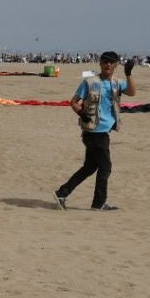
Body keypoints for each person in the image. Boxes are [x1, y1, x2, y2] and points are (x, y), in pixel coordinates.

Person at [54, 51, 136, 211]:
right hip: (94, 132)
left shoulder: (116, 83)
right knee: (105, 167)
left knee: (90, 167)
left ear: (116, 65)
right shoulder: (90, 82)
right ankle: (98, 203)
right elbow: (74, 102)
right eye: (105, 62)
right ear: (100, 63)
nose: (108, 65)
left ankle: (61, 193)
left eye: (112, 63)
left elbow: (132, 92)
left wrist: (129, 74)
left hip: (104, 131)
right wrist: (81, 113)